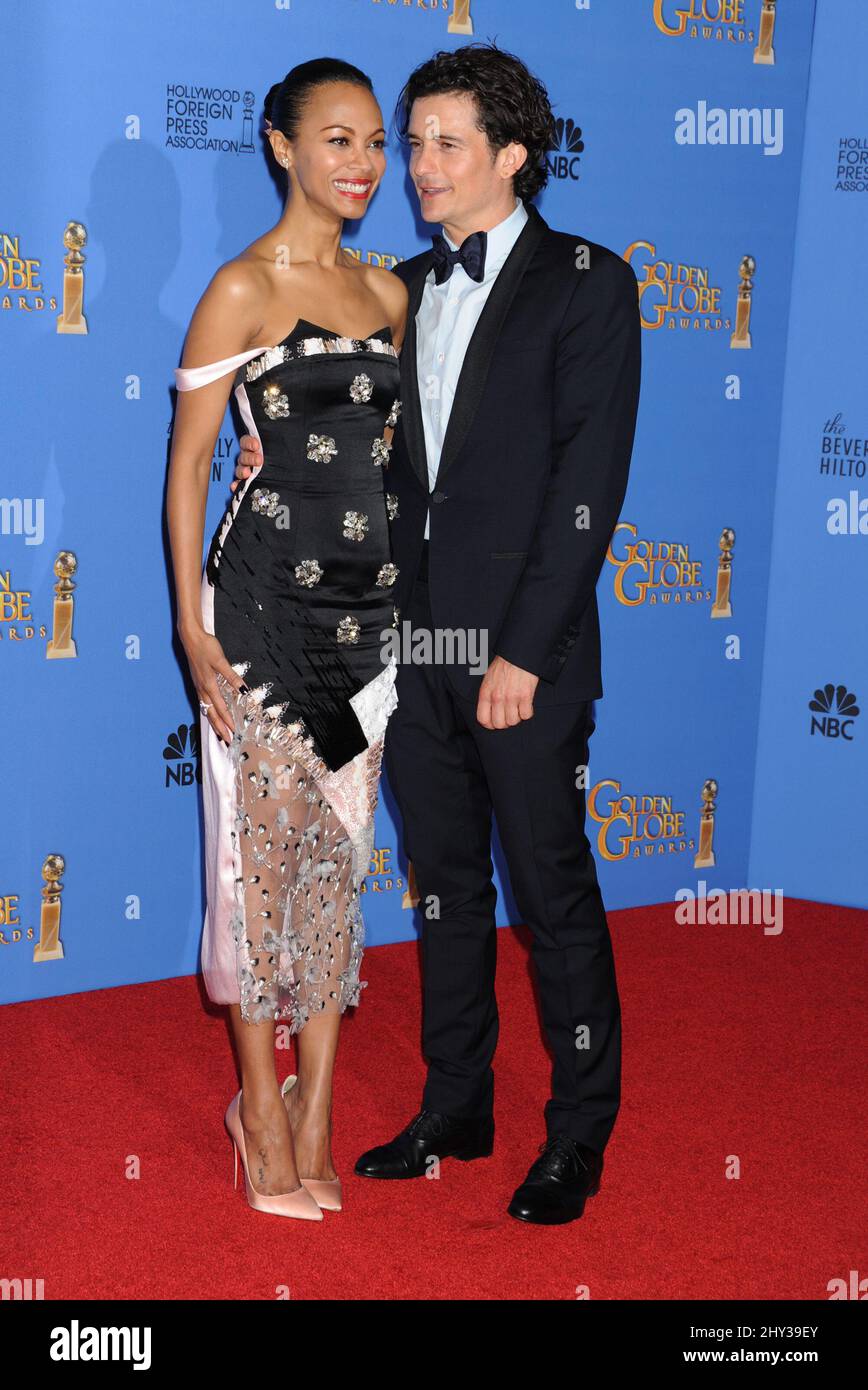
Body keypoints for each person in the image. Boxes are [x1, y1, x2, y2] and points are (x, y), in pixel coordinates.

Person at [234, 41, 642, 1225]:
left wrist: (521, 654)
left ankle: (578, 1132)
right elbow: (354, 454)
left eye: (442, 142)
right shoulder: (399, 286)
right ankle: (455, 1103)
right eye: (409, 142)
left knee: (550, 890)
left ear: (513, 156)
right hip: (407, 654)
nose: (415, 164)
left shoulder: (588, 283)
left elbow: (587, 488)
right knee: (443, 889)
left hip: (524, 656)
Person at [167, 58, 408, 1221]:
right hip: (257, 611)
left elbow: (385, 460)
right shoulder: (239, 289)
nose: (361, 164)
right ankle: (259, 1110)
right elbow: (187, 469)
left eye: (374, 142)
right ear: (280, 145)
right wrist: (186, 620)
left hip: (368, 625)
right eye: (336, 140)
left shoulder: (388, 294)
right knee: (256, 875)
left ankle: (318, 1110)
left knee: (335, 874)